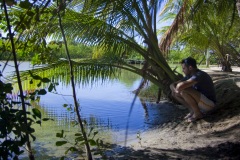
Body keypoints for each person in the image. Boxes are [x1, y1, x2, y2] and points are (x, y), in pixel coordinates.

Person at [170, 57, 216, 122]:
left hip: (209, 105)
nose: (182, 70)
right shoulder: (189, 76)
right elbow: (172, 85)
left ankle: (198, 113)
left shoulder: (199, 75)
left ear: (190, 68)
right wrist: (175, 90)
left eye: (184, 68)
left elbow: (180, 86)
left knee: (184, 90)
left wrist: (177, 89)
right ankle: (192, 111)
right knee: (174, 93)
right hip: (201, 102)